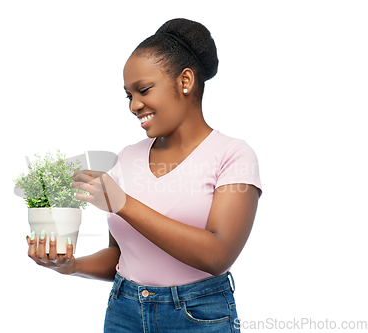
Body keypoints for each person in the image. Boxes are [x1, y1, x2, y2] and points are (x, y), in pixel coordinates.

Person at [26, 18, 262, 332]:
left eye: (144, 90)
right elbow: (121, 255)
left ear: (185, 81)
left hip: (197, 318)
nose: (135, 105)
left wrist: (123, 203)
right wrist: (71, 266)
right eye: (128, 95)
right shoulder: (128, 156)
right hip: (124, 312)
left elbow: (217, 255)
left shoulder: (233, 155)